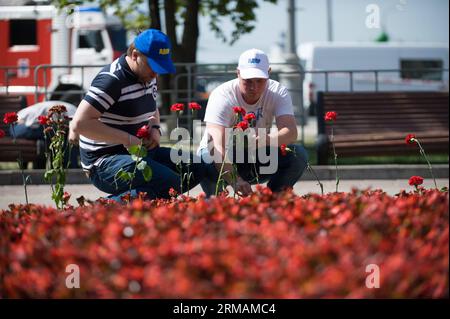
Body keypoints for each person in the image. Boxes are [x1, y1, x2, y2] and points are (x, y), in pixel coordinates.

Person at [69, 29, 204, 201]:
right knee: (169, 181)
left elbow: (152, 107)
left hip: (139, 151)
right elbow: (80, 124)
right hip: (104, 162)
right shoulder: (112, 80)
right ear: (135, 55)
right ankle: (106, 208)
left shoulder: (147, 75)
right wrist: (129, 139)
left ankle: (145, 199)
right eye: (153, 66)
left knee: (197, 166)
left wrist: (155, 127)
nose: (156, 73)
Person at [198, 48, 309, 197]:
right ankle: (216, 203)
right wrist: (235, 180)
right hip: (222, 156)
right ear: (238, 73)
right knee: (205, 157)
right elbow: (216, 148)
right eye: (248, 81)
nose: (254, 87)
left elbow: (291, 132)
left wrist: (266, 140)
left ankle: (272, 200)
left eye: (260, 80)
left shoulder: (278, 91)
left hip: (258, 154)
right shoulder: (222, 95)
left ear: (268, 73)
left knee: (298, 154)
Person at [12, 100, 79, 168]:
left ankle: (60, 165)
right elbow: (73, 134)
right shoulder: (74, 113)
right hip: (18, 125)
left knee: (55, 136)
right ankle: (65, 166)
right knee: (55, 135)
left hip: (26, 122)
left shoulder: (72, 109)